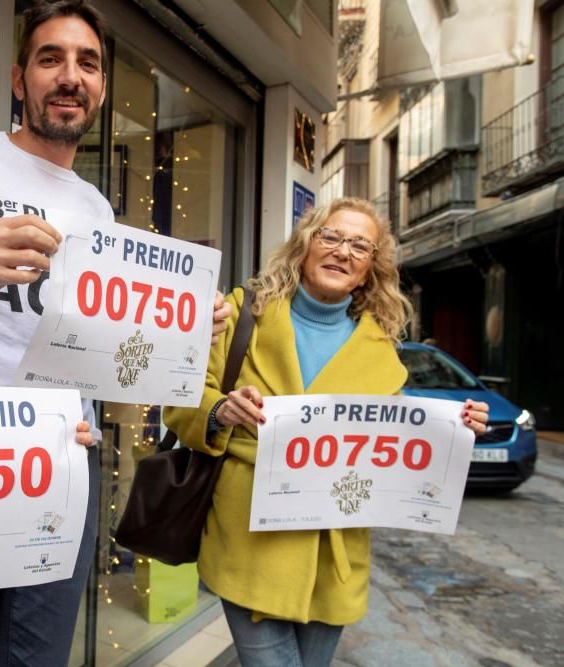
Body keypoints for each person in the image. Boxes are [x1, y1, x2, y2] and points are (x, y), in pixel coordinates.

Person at [0, 2, 228, 664]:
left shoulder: (95, 206)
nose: (70, 76)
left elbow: (105, 347)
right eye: (51, 59)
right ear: (18, 79)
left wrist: (179, 328)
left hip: (65, 455)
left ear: (97, 88)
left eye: (87, 63)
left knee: (37, 654)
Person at [163, 196, 490, 667]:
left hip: (333, 554)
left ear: (370, 270)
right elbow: (181, 399)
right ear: (305, 244)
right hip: (249, 539)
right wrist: (221, 411)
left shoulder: (382, 353)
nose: (343, 251)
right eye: (331, 236)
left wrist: (457, 430)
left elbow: (396, 447)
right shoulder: (242, 314)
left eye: (360, 245)